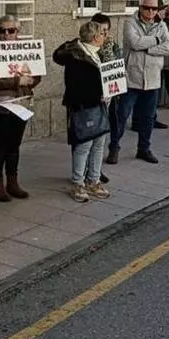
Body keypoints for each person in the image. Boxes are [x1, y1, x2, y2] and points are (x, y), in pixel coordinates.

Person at [0, 15, 40, 202]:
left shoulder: (25, 49)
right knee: (1, 145)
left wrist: (30, 80)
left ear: (17, 32)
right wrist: (16, 81)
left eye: (11, 30)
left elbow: (37, 74)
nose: (6, 34)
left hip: (21, 103)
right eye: (1, 30)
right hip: (1, 105)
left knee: (14, 145)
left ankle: (12, 181)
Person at [106, 0, 169, 165]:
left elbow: (168, 47)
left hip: (152, 79)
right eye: (147, 8)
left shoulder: (162, 25)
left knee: (148, 117)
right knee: (122, 115)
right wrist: (156, 40)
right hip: (132, 77)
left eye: (154, 8)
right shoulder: (130, 22)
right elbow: (134, 43)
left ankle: (144, 148)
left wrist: (148, 49)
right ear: (141, 7)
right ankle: (114, 147)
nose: (151, 12)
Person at [58, 21, 113, 203]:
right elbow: (76, 86)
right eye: (102, 33)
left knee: (99, 144)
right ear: (95, 37)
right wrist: (99, 93)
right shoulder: (77, 57)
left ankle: (93, 180)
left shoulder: (99, 53)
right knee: (83, 145)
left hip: (100, 105)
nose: (105, 36)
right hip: (84, 106)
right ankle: (78, 182)